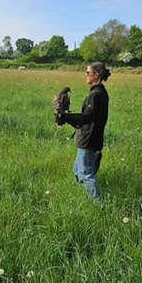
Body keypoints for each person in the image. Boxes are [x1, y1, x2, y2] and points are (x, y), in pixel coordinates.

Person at [56, 62, 110, 200]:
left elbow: (88, 117)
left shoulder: (96, 94)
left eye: (88, 72)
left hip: (89, 138)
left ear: (96, 75)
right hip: (92, 136)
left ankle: (97, 204)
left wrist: (65, 117)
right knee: (77, 171)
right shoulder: (100, 91)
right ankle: (83, 197)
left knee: (85, 174)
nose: (85, 75)